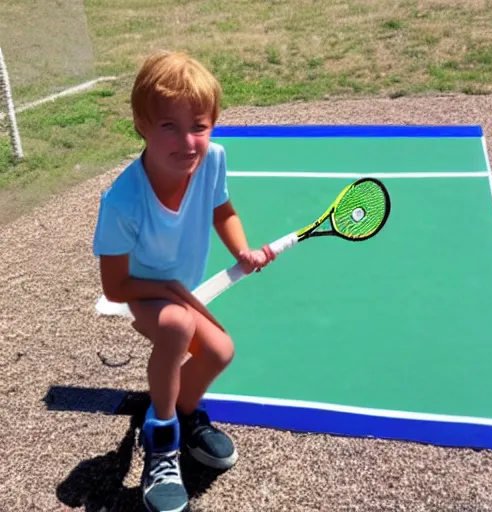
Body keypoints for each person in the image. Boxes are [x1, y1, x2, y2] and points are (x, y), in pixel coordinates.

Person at [92, 50, 276, 512]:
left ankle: (184, 414)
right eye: (168, 126)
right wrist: (168, 291)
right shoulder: (122, 202)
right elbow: (116, 288)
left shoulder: (212, 160)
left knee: (220, 351)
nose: (188, 141)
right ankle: (161, 442)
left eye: (199, 125)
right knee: (177, 326)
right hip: (142, 289)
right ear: (141, 125)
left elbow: (223, 210)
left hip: (179, 288)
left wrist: (242, 250)